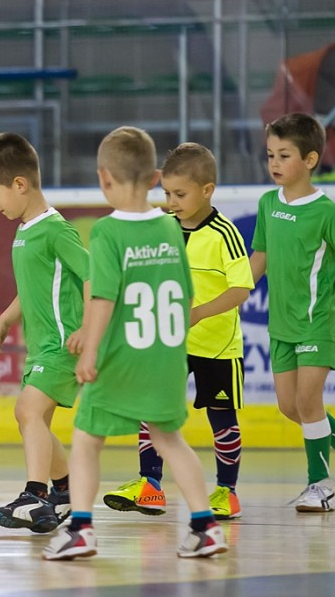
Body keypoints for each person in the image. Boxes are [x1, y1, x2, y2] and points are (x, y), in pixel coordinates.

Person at [43, 126, 228, 560]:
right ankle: (204, 526)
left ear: (104, 177)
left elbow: (103, 299)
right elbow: (183, 294)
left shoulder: (108, 233)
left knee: (87, 439)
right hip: (165, 356)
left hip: (120, 358)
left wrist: (89, 351)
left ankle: (82, 529)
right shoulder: (170, 228)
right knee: (170, 440)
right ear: (154, 177)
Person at [102, 142, 253, 521]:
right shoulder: (163, 227)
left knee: (222, 418)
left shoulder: (225, 233)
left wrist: (199, 313)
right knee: (149, 409)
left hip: (217, 348)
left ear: (208, 190)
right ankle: (150, 485)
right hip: (168, 343)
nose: (171, 201)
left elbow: (241, 289)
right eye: (167, 193)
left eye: (180, 194)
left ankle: (227, 491)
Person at [249, 113, 335, 512]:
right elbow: (257, 261)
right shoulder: (268, 204)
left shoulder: (327, 213)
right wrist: (226, 298)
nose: (274, 163)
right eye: (270, 154)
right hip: (281, 326)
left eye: (284, 155)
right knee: (290, 406)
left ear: (311, 159)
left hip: (318, 323)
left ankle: (319, 485)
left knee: (307, 399)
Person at [0, 133, 86, 533]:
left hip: (62, 345)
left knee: (26, 412)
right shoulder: (26, 229)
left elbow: (93, 278)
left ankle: (36, 494)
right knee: (35, 419)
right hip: (41, 347)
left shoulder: (56, 230)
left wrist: (87, 329)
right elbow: (33, 286)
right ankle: (64, 494)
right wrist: (5, 318)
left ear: (20, 184)